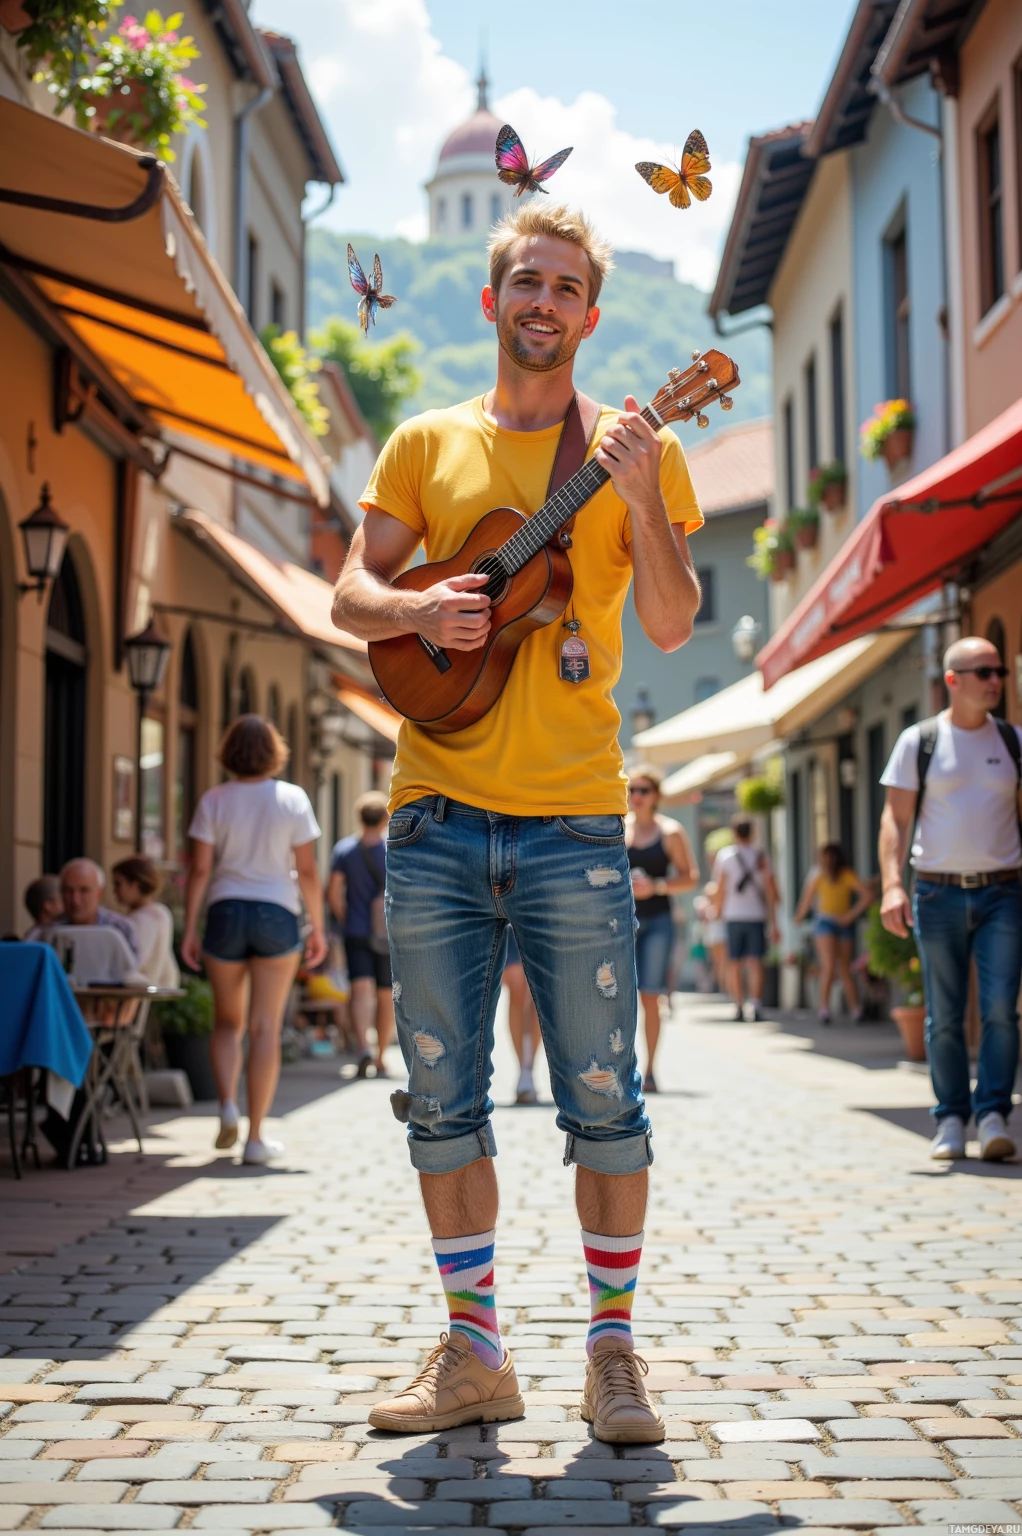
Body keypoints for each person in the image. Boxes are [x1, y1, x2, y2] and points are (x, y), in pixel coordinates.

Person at [331, 200, 703, 1441]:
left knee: (604, 1095)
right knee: (441, 1099)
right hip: (434, 811)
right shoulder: (424, 444)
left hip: (574, 820)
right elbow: (348, 595)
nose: (543, 301)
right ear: (490, 303)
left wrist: (644, 495)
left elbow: (666, 623)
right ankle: (474, 1354)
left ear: (593, 316)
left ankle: (612, 1356)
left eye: (565, 287)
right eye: (524, 283)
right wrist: (420, 614)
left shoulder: (636, 446)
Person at [879, 635, 1022, 1163]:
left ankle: (992, 1115)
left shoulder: (1012, 741)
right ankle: (951, 1120)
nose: (994, 681)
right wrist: (893, 884)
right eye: (983, 671)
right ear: (953, 680)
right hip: (936, 892)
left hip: (1003, 891)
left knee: (1001, 1010)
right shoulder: (919, 741)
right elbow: (894, 819)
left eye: (999, 671)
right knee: (943, 1014)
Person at [182, 714, 327, 1166]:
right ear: (274, 752)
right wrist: (318, 927)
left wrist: (189, 927)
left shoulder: (214, 800)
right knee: (265, 1026)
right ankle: (256, 1138)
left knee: (229, 1023)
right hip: (276, 914)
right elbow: (306, 871)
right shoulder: (292, 798)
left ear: (228, 751)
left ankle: (227, 1106)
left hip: (225, 911)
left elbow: (200, 870)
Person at [625, 764, 699, 1091]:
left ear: (656, 796)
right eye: (632, 790)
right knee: (618, 997)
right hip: (621, 922)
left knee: (650, 995)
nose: (636, 796)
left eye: (643, 790)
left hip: (658, 921)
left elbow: (690, 878)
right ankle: (623, 1069)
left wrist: (655, 886)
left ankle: (651, 1070)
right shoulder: (617, 828)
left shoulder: (670, 832)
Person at [327, 790, 396, 1079]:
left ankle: (362, 1049)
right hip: (386, 931)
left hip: (355, 929)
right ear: (384, 818)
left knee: (359, 990)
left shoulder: (344, 850)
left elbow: (332, 891)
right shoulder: (391, 849)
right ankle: (380, 1056)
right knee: (385, 993)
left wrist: (345, 916)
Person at [794, 843, 872, 1024]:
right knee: (828, 965)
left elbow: (867, 896)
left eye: (831, 856)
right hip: (823, 922)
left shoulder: (846, 875)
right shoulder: (818, 875)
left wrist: (850, 916)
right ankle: (824, 1008)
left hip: (842, 923)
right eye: (825, 856)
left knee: (845, 967)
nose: (828, 860)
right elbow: (806, 901)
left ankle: (855, 1009)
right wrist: (797, 919)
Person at [711, 816, 779, 1022]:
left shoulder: (726, 856)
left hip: (733, 915)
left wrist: (717, 911)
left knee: (735, 962)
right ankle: (756, 1004)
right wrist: (774, 921)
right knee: (756, 961)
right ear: (752, 832)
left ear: (734, 833)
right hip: (756, 915)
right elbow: (770, 891)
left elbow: (720, 888)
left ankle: (739, 1005)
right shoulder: (761, 856)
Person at [28, 858, 140, 956]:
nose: (75, 899)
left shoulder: (121, 928)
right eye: (68, 891)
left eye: (84, 891)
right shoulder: (47, 932)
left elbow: (131, 972)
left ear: (99, 893)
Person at [112, 855, 180, 990]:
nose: (115, 891)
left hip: (141, 991)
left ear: (135, 884)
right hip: (161, 987)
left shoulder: (142, 919)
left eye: (118, 884)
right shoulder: (161, 912)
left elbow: (135, 962)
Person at [503, 927, 540, 1105]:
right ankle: (523, 1070)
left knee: (537, 991)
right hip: (505, 916)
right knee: (517, 983)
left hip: (542, 911)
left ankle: (527, 1070)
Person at [703, 881, 728, 994]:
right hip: (713, 937)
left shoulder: (721, 906)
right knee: (717, 963)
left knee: (722, 963)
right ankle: (720, 986)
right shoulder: (708, 907)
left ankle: (723, 987)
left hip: (720, 936)